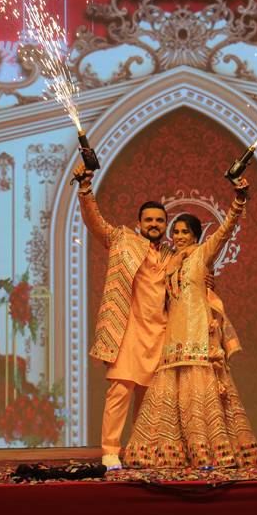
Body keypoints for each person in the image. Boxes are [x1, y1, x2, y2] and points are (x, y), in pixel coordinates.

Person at [124, 184, 257, 468]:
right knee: (170, 394)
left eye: (185, 232)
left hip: (197, 334)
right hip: (173, 336)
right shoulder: (170, 262)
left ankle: (208, 451)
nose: (178, 236)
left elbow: (224, 231)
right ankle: (169, 452)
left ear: (196, 235)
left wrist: (237, 202)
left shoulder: (202, 255)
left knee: (199, 392)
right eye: (175, 232)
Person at [74, 161, 175, 470]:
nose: (154, 224)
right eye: (149, 219)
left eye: (159, 220)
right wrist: (85, 189)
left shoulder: (173, 255)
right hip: (129, 329)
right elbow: (95, 221)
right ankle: (110, 450)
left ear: (165, 224)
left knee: (150, 400)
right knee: (120, 391)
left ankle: (141, 449)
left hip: (162, 331)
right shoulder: (123, 240)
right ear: (139, 222)